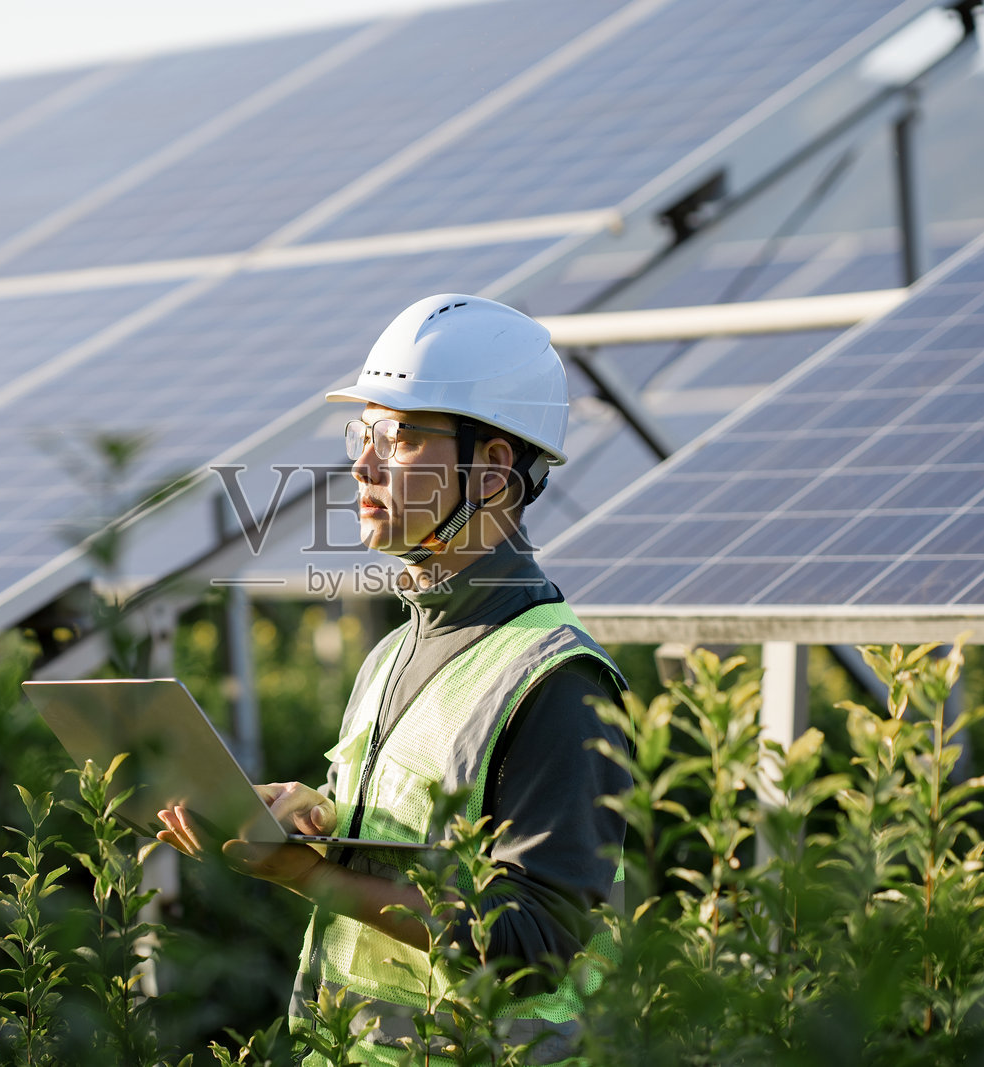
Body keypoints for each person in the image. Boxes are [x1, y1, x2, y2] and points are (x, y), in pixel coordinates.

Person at [157, 293, 630, 1065]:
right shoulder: (392, 653)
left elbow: (536, 944)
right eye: (365, 432)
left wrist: (307, 876)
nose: (363, 462)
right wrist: (311, 814)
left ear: (493, 467)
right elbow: (413, 842)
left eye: (401, 436)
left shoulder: (557, 681)